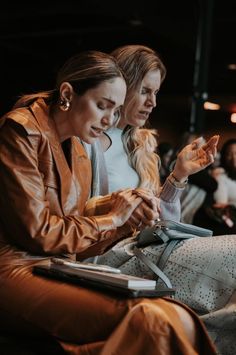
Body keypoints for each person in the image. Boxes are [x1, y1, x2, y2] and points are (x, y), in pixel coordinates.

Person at [0, 50, 216, 355]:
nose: (109, 120)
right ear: (67, 94)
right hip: (13, 271)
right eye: (103, 106)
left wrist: (127, 221)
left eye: (115, 110)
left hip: (59, 267)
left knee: (176, 314)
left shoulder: (77, 144)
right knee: (152, 319)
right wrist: (111, 218)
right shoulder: (20, 130)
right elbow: (38, 233)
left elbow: (79, 245)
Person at [86, 45, 236, 354]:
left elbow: (165, 225)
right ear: (121, 85)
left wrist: (179, 176)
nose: (153, 102)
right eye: (145, 91)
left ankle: (198, 341)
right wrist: (120, 209)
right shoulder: (87, 142)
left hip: (147, 250)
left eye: (156, 93)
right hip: (105, 255)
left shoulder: (141, 146)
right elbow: (77, 218)